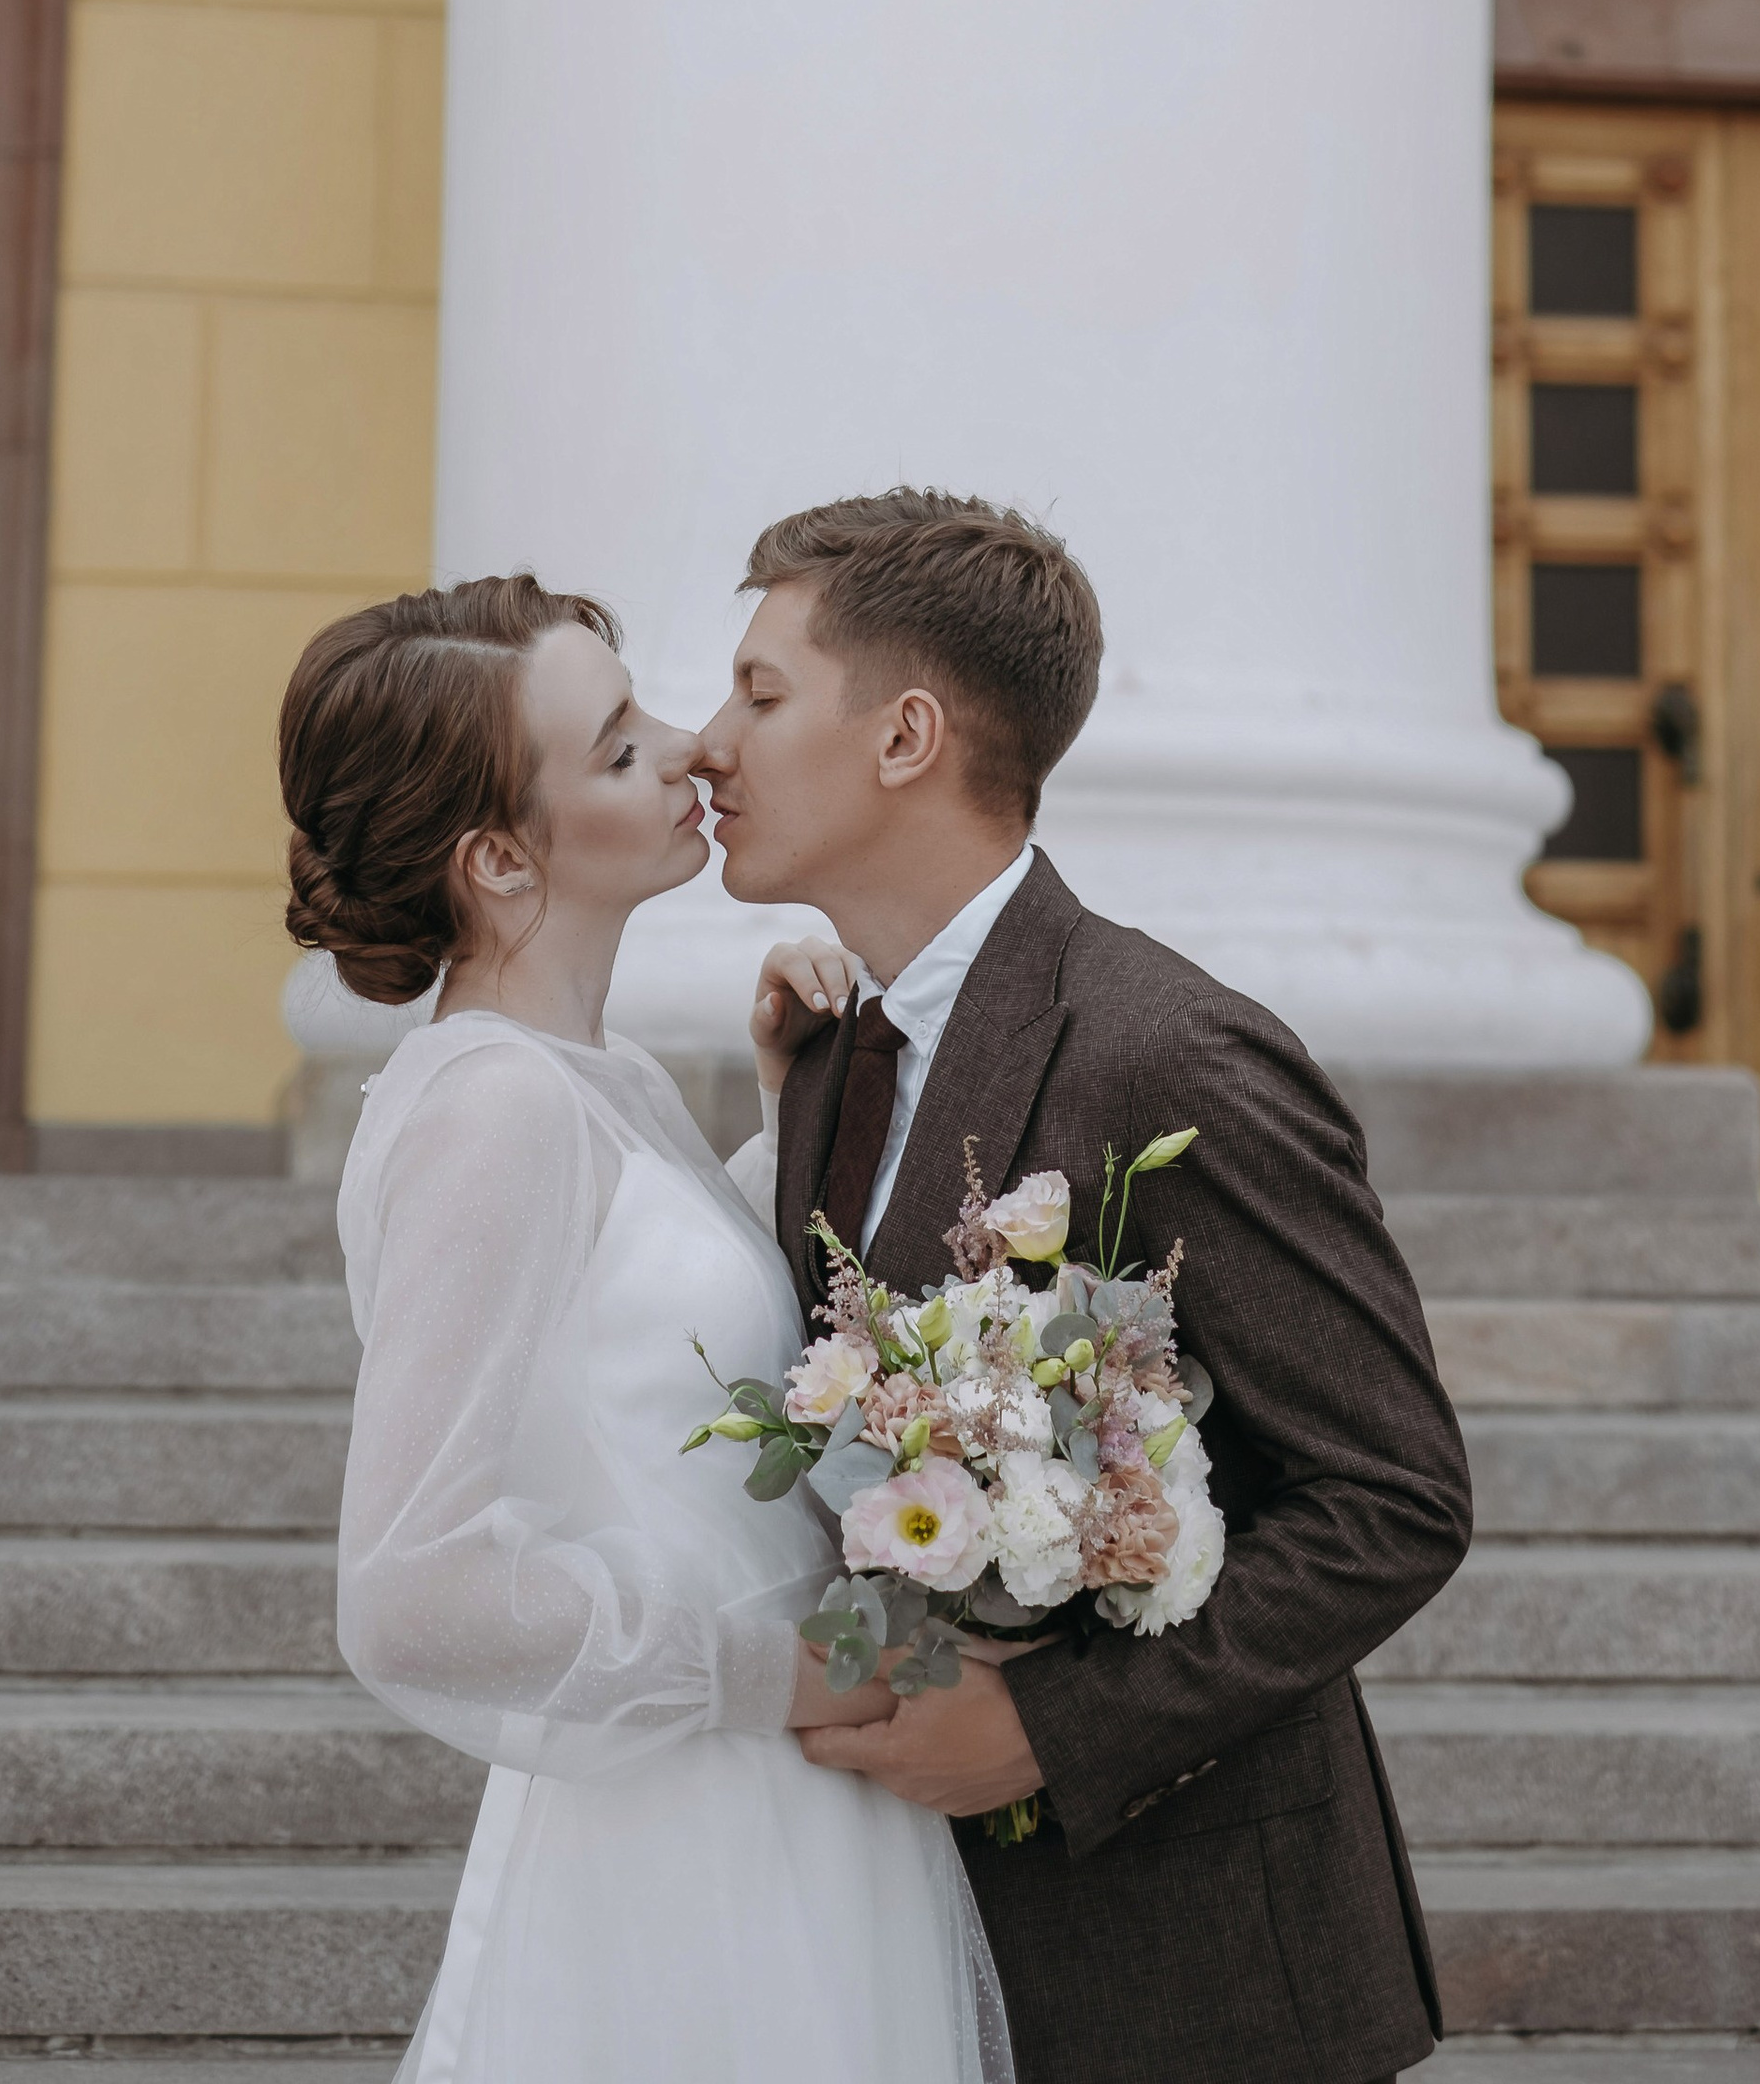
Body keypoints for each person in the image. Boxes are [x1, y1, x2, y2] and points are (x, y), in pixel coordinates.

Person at [689, 489, 1472, 2084]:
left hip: (1193, 1980)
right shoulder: (836, 1058)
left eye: (760, 694)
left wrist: (1057, 1731)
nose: (710, 744)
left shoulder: (1170, 1051)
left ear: (905, 737)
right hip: (906, 1951)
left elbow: (1393, 1496)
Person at [282, 575, 1009, 2084]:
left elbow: (652, 1366)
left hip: (772, 1803)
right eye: (619, 748)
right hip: (688, 1831)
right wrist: (784, 1680)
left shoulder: (593, 1081)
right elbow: (409, 1596)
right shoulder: (492, 1111)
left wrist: (783, 1115)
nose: (689, 746)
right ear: (495, 857)